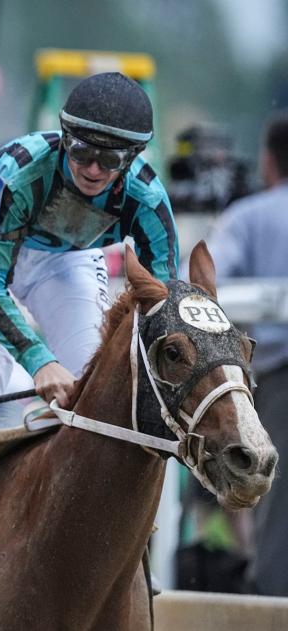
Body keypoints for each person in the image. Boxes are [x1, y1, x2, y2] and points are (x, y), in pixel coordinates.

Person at [0, 72, 179, 428]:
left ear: (132, 157)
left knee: (88, 382)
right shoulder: (19, 176)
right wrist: (39, 360)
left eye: (109, 159)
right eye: (82, 151)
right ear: (65, 139)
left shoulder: (149, 202)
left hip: (67, 256)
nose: (93, 169)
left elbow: (163, 301)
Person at [204, 110, 288, 596]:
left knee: (275, 511)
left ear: (269, 160)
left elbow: (207, 282)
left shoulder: (249, 217)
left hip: (278, 379)